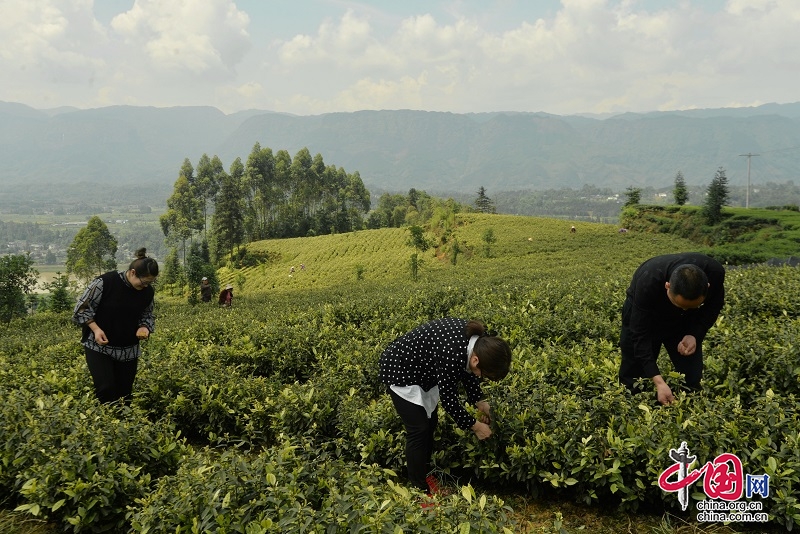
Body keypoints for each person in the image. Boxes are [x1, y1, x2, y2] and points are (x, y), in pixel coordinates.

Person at [379, 318, 512, 496]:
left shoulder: (480, 344)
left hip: (424, 371)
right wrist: (476, 426)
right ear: (476, 359)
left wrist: (480, 402)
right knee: (419, 429)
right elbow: (450, 402)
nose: (481, 378)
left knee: (430, 422)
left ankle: (424, 476)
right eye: (484, 374)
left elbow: (467, 370)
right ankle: (418, 491)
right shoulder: (451, 351)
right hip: (400, 370)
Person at [619, 253, 725, 405]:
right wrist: (659, 382)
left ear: (708, 287)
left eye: (692, 306)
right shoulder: (648, 279)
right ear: (667, 286)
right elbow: (639, 335)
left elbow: (713, 307)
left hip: (685, 323)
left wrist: (694, 334)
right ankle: (632, 408)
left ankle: (683, 410)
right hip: (646, 314)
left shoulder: (715, 273)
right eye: (680, 305)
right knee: (634, 374)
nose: (684, 309)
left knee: (691, 377)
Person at [72, 248, 158, 404]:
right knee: (106, 389)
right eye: (144, 282)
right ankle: (105, 424)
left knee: (125, 395)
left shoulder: (147, 292)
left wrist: (144, 327)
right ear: (132, 272)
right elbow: (82, 308)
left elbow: (147, 314)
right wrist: (96, 329)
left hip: (128, 350)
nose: (145, 286)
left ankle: (123, 425)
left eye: (150, 283)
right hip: (99, 347)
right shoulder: (105, 283)